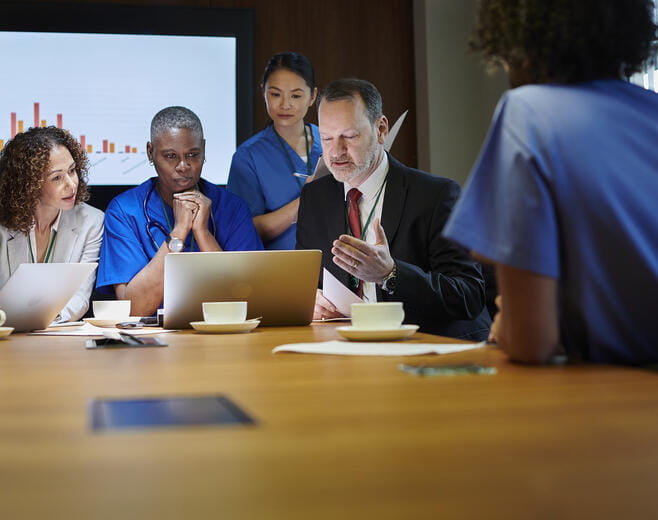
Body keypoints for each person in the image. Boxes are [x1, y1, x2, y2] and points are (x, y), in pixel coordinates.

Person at [444, 0, 658, 365]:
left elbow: (531, 342)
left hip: (621, 392)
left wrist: (508, 320)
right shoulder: (650, 109)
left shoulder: (527, 113)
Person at [296, 78, 491, 340]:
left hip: (425, 344)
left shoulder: (436, 195)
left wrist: (390, 274)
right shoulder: (315, 197)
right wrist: (312, 299)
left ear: (381, 129)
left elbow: (468, 295)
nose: (336, 152)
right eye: (327, 138)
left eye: (350, 136)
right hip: (345, 345)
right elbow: (308, 282)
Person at [97, 106, 263, 316]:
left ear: (204, 149)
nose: (183, 166)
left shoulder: (232, 208)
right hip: (153, 339)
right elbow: (133, 309)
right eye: (171, 156)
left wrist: (202, 233)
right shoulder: (124, 211)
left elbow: (245, 298)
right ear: (150, 152)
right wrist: (180, 231)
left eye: (193, 154)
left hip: (219, 332)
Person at [0, 126, 103, 322]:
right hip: (1, 336)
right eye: (57, 177)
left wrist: (46, 316)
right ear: (28, 184)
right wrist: (16, 317)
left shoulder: (91, 221)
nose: (72, 184)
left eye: (72, 170)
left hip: (57, 336)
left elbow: (79, 299)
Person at [227, 52, 322, 250]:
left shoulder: (330, 141)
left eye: (296, 95)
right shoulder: (248, 157)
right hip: (281, 267)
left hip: (336, 262)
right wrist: (304, 201)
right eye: (275, 94)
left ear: (312, 96)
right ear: (263, 92)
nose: (285, 105)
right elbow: (243, 229)